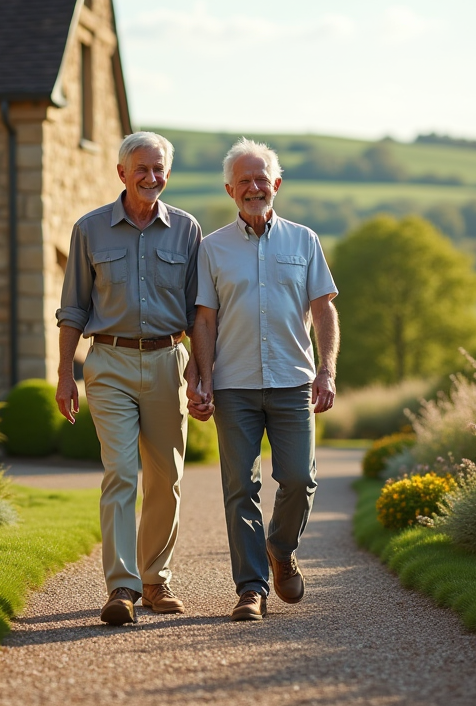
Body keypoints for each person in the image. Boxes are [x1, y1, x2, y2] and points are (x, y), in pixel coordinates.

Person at [55, 131, 209, 625]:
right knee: (120, 472)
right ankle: (121, 588)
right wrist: (64, 374)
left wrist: (201, 376)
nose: (151, 177)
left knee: (166, 478)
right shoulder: (89, 229)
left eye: (159, 168)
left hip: (168, 361)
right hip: (109, 363)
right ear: (121, 173)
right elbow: (73, 308)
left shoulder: (187, 230)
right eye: (141, 169)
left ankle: (155, 580)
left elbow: (199, 313)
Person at [190, 137, 340, 621]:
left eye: (262, 179)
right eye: (244, 181)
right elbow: (205, 320)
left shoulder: (305, 241)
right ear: (231, 189)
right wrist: (203, 377)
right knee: (240, 487)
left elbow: (323, 309)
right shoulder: (211, 248)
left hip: (293, 381)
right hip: (233, 384)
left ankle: (280, 547)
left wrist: (327, 369)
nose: (254, 187)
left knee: (300, 478)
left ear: (275, 184)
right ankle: (250, 588)